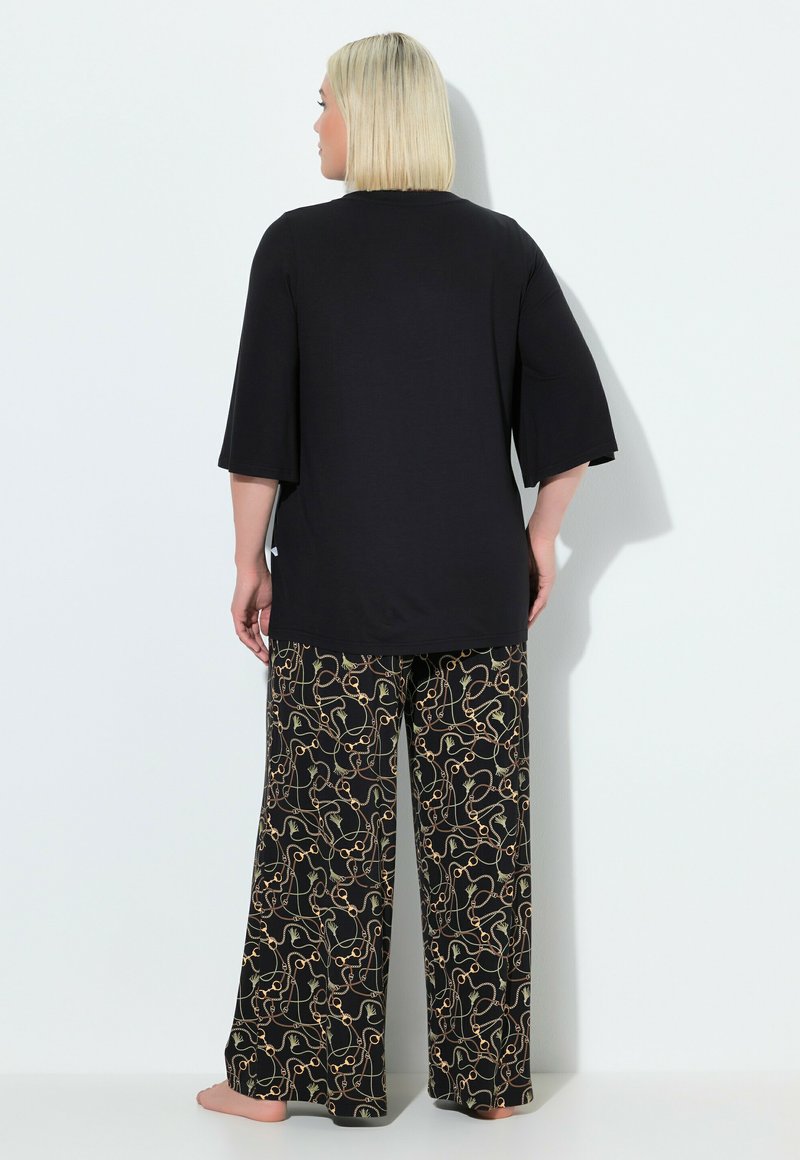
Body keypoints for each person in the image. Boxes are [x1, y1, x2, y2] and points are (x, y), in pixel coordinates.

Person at [197, 31, 618, 1124]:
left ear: (368, 114)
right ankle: (487, 1083)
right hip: (476, 592)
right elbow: (570, 424)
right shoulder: (499, 249)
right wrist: (540, 537)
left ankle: (291, 1081)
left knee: (322, 838)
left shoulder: (295, 248)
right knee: (481, 841)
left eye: (325, 102)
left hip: (335, 594)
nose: (316, 123)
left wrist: (246, 561)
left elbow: (261, 436)